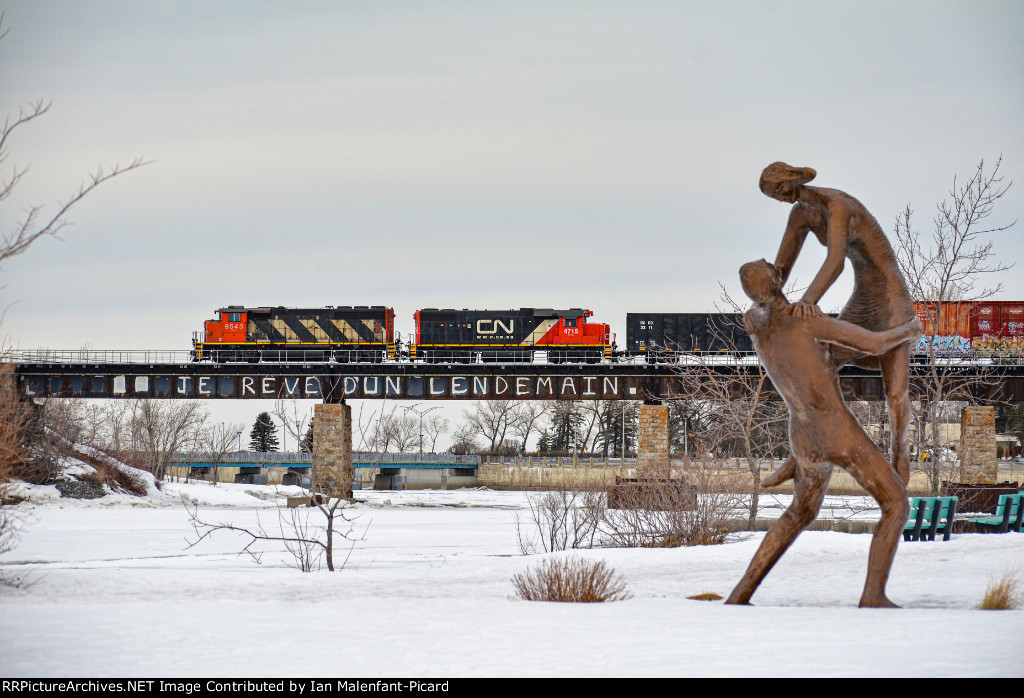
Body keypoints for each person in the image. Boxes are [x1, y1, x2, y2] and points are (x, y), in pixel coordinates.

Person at [725, 259, 921, 608]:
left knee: (799, 513)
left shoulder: (758, 327)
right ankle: (873, 595)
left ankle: (741, 593)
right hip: (835, 429)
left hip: (801, 435)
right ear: (777, 278)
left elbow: (759, 313)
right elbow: (874, 345)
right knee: (895, 504)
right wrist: (908, 330)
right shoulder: (807, 322)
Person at [760, 162, 917, 485]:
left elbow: (836, 262)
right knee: (820, 361)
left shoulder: (838, 206)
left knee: (895, 392)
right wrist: (765, 304)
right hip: (863, 298)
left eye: (777, 190)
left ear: (789, 180)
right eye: (771, 196)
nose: (778, 198)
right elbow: (781, 269)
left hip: (890, 297)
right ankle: (801, 451)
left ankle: (900, 459)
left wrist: (807, 302)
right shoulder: (799, 216)